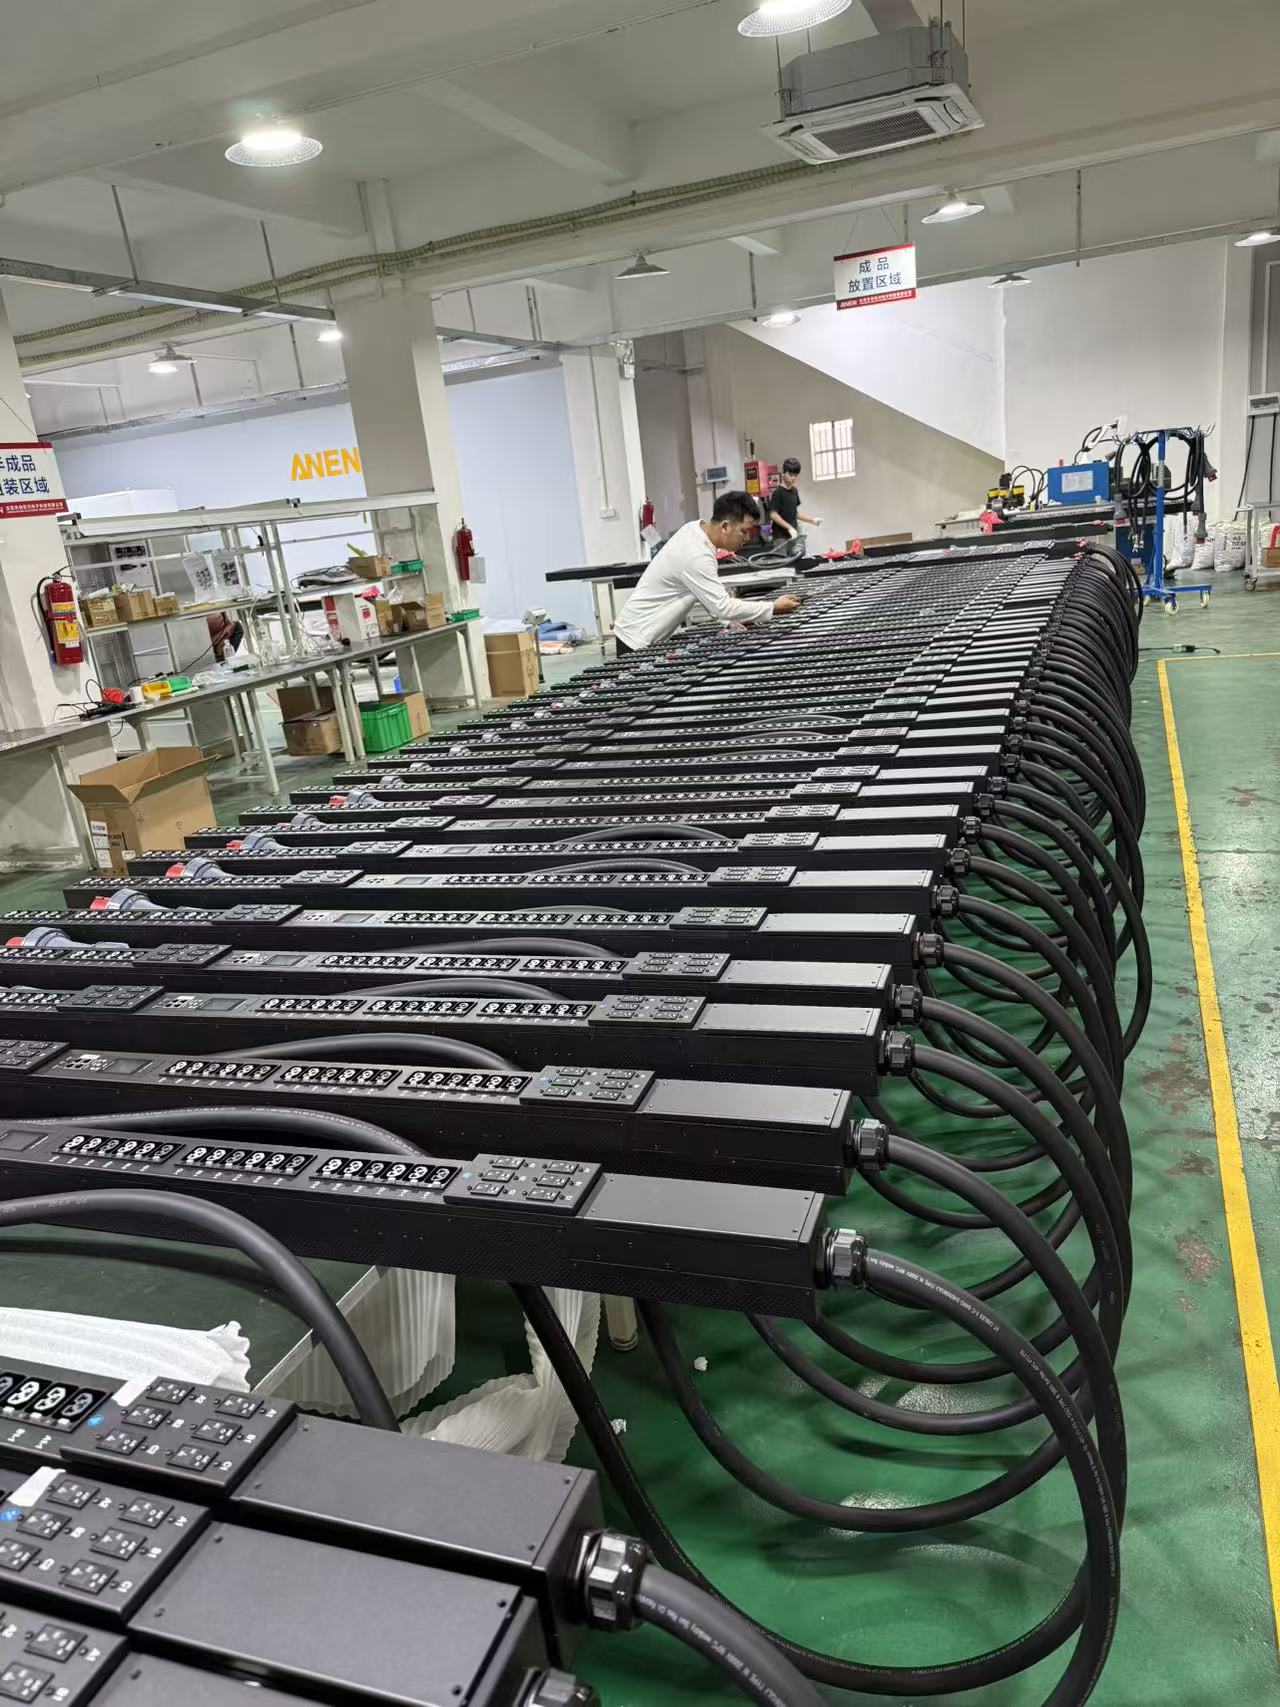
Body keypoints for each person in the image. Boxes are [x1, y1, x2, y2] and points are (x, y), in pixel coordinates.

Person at [612, 492, 800, 654]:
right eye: (744, 531)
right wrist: (772, 608)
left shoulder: (694, 529)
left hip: (644, 634)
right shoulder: (696, 553)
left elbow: (702, 591)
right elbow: (722, 606)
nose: (747, 538)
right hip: (636, 639)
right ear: (725, 527)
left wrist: (727, 621)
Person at [768, 458, 823, 542]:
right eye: (790, 475)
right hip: (780, 537)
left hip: (793, 535)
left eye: (795, 475)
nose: (793, 478)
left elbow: (794, 513)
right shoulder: (778, 492)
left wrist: (812, 520)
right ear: (783, 474)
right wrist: (789, 528)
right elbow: (773, 514)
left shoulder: (794, 491)